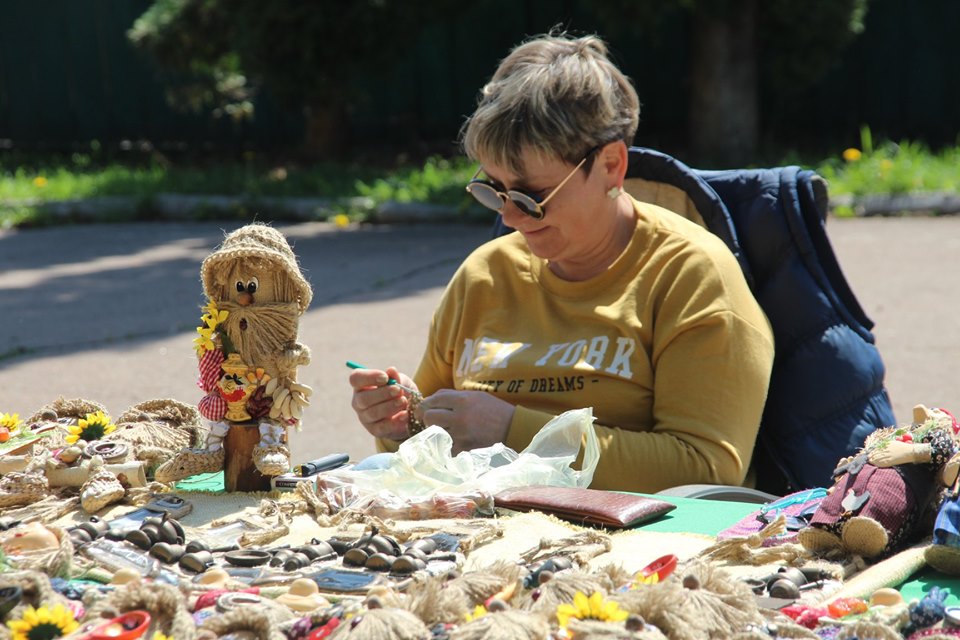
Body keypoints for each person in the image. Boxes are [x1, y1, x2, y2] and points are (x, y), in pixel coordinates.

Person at [348, 32, 775, 493]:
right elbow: (427, 449)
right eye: (494, 189)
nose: (509, 217)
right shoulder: (484, 275)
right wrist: (402, 425)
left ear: (612, 165)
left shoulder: (690, 275)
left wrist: (512, 431)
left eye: (532, 196)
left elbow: (706, 468)